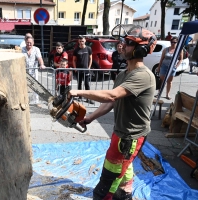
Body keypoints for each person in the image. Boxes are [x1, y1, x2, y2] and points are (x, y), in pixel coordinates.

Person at [68, 24, 157, 200]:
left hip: (130, 137)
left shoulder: (143, 76)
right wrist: (90, 118)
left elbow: (110, 95)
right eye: (124, 41)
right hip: (121, 133)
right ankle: (126, 195)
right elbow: (112, 102)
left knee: (105, 186)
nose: (122, 45)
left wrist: (78, 92)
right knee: (124, 172)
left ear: (141, 49)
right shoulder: (124, 74)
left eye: (129, 43)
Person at [22, 36, 46, 104]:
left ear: (33, 42)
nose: (29, 44)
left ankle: (36, 101)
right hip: (24, 71)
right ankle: (24, 101)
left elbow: (39, 58)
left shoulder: (36, 49)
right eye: (27, 42)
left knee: (35, 86)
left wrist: (42, 64)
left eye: (30, 42)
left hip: (34, 71)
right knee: (23, 86)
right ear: (25, 42)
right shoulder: (21, 49)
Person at [72, 35, 93, 104]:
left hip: (86, 69)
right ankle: (80, 97)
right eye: (80, 41)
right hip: (78, 70)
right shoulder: (76, 50)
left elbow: (91, 59)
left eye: (82, 41)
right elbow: (74, 60)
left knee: (87, 84)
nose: (81, 42)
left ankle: (88, 98)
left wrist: (89, 67)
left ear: (85, 41)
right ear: (78, 41)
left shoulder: (88, 49)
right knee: (79, 84)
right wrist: (75, 68)